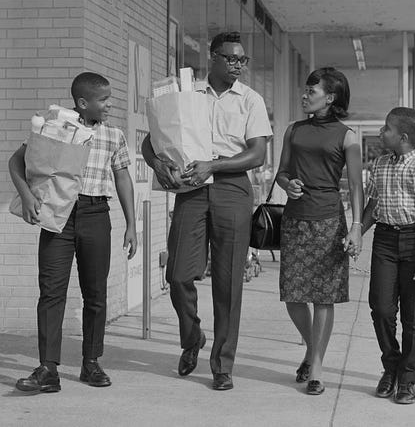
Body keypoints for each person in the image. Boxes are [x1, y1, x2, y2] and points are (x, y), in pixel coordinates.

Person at [142, 31, 272, 391]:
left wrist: (213, 165)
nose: (238, 66)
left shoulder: (251, 100)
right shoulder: (186, 94)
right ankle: (192, 338)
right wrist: (157, 165)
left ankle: (222, 364)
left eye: (243, 60)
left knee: (228, 283)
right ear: (212, 58)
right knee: (179, 274)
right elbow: (150, 141)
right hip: (191, 190)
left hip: (232, 187)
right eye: (231, 59)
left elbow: (258, 154)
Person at [9, 72, 137, 393]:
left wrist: (132, 224)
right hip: (59, 215)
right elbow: (16, 162)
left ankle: (91, 362)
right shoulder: (55, 130)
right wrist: (26, 195)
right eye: (103, 100)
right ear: (83, 103)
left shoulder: (114, 136)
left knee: (95, 292)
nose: (109, 105)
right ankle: (47, 368)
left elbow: (122, 177)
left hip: (96, 214)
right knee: (51, 290)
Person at [276, 67, 363, 395]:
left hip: (329, 222)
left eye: (311, 92)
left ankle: (317, 369)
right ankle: (313, 349)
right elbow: (281, 173)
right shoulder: (293, 130)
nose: (304, 95)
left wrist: (356, 227)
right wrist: (288, 184)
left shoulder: (347, 135)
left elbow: (355, 184)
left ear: (330, 97)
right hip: (295, 220)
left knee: (323, 298)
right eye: (305, 90)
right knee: (293, 295)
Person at [362, 107, 415, 405]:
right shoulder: (380, 164)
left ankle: (408, 378)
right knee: (382, 309)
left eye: (385, 128)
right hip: (385, 241)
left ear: (403, 136)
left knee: (414, 317)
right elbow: (373, 206)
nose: (380, 133)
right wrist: (356, 233)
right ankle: (391, 366)